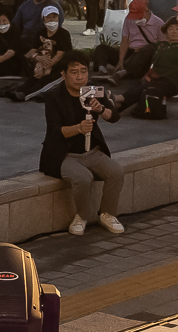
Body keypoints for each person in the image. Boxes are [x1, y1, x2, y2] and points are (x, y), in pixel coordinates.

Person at [41, 57, 125, 236]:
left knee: (116, 171)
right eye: (74, 72)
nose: (80, 77)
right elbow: (55, 132)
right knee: (83, 178)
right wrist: (78, 128)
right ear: (63, 75)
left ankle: (108, 214)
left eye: (83, 71)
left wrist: (101, 110)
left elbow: (114, 117)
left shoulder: (93, 91)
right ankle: (82, 216)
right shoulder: (54, 96)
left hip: (92, 151)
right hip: (64, 154)